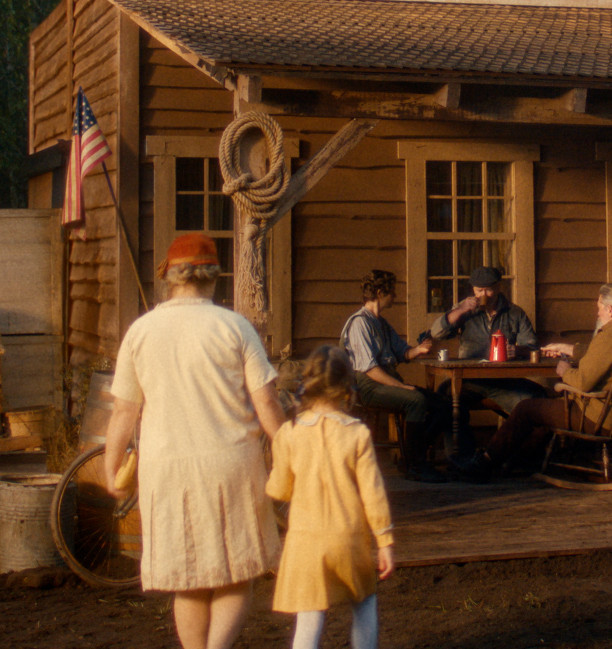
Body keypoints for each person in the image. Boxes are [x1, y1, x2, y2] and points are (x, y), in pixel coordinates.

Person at [104, 234, 287, 649]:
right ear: (214, 276)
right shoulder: (235, 326)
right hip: (231, 464)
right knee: (235, 571)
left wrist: (111, 467)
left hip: (167, 469)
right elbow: (268, 405)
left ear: (169, 276)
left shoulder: (141, 331)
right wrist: (294, 453)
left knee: (187, 576)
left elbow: (122, 412)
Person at [268, 346, 396, 649]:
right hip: (349, 539)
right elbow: (373, 493)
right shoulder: (356, 433)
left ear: (307, 384)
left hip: (305, 542)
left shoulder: (289, 432)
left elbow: (280, 489)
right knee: (364, 603)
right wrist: (385, 541)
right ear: (346, 388)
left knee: (309, 616)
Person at [453, 282, 612, 479]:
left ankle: (485, 461)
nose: (598, 314)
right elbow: (602, 355)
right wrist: (569, 349)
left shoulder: (611, 335)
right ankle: (517, 461)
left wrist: (565, 371)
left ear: (610, 310)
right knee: (543, 414)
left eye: (599, 309)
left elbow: (584, 381)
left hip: (596, 417)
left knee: (527, 408)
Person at [341, 270, 450, 483]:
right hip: (369, 386)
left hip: (387, 380)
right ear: (380, 292)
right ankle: (416, 466)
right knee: (416, 401)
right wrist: (401, 387)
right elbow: (370, 369)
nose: (395, 296)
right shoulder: (359, 323)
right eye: (392, 292)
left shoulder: (380, 322)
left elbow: (402, 352)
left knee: (444, 404)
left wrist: (419, 350)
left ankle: (409, 456)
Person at [427, 266, 542, 452]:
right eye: (479, 290)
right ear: (473, 290)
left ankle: (509, 455)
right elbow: (437, 332)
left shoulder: (514, 312)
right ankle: (463, 457)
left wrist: (518, 350)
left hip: (503, 382)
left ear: (498, 287)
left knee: (536, 400)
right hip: (470, 382)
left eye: (488, 289)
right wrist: (462, 309)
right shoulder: (465, 310)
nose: (484, 294)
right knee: (446, 396)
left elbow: (533, 346)